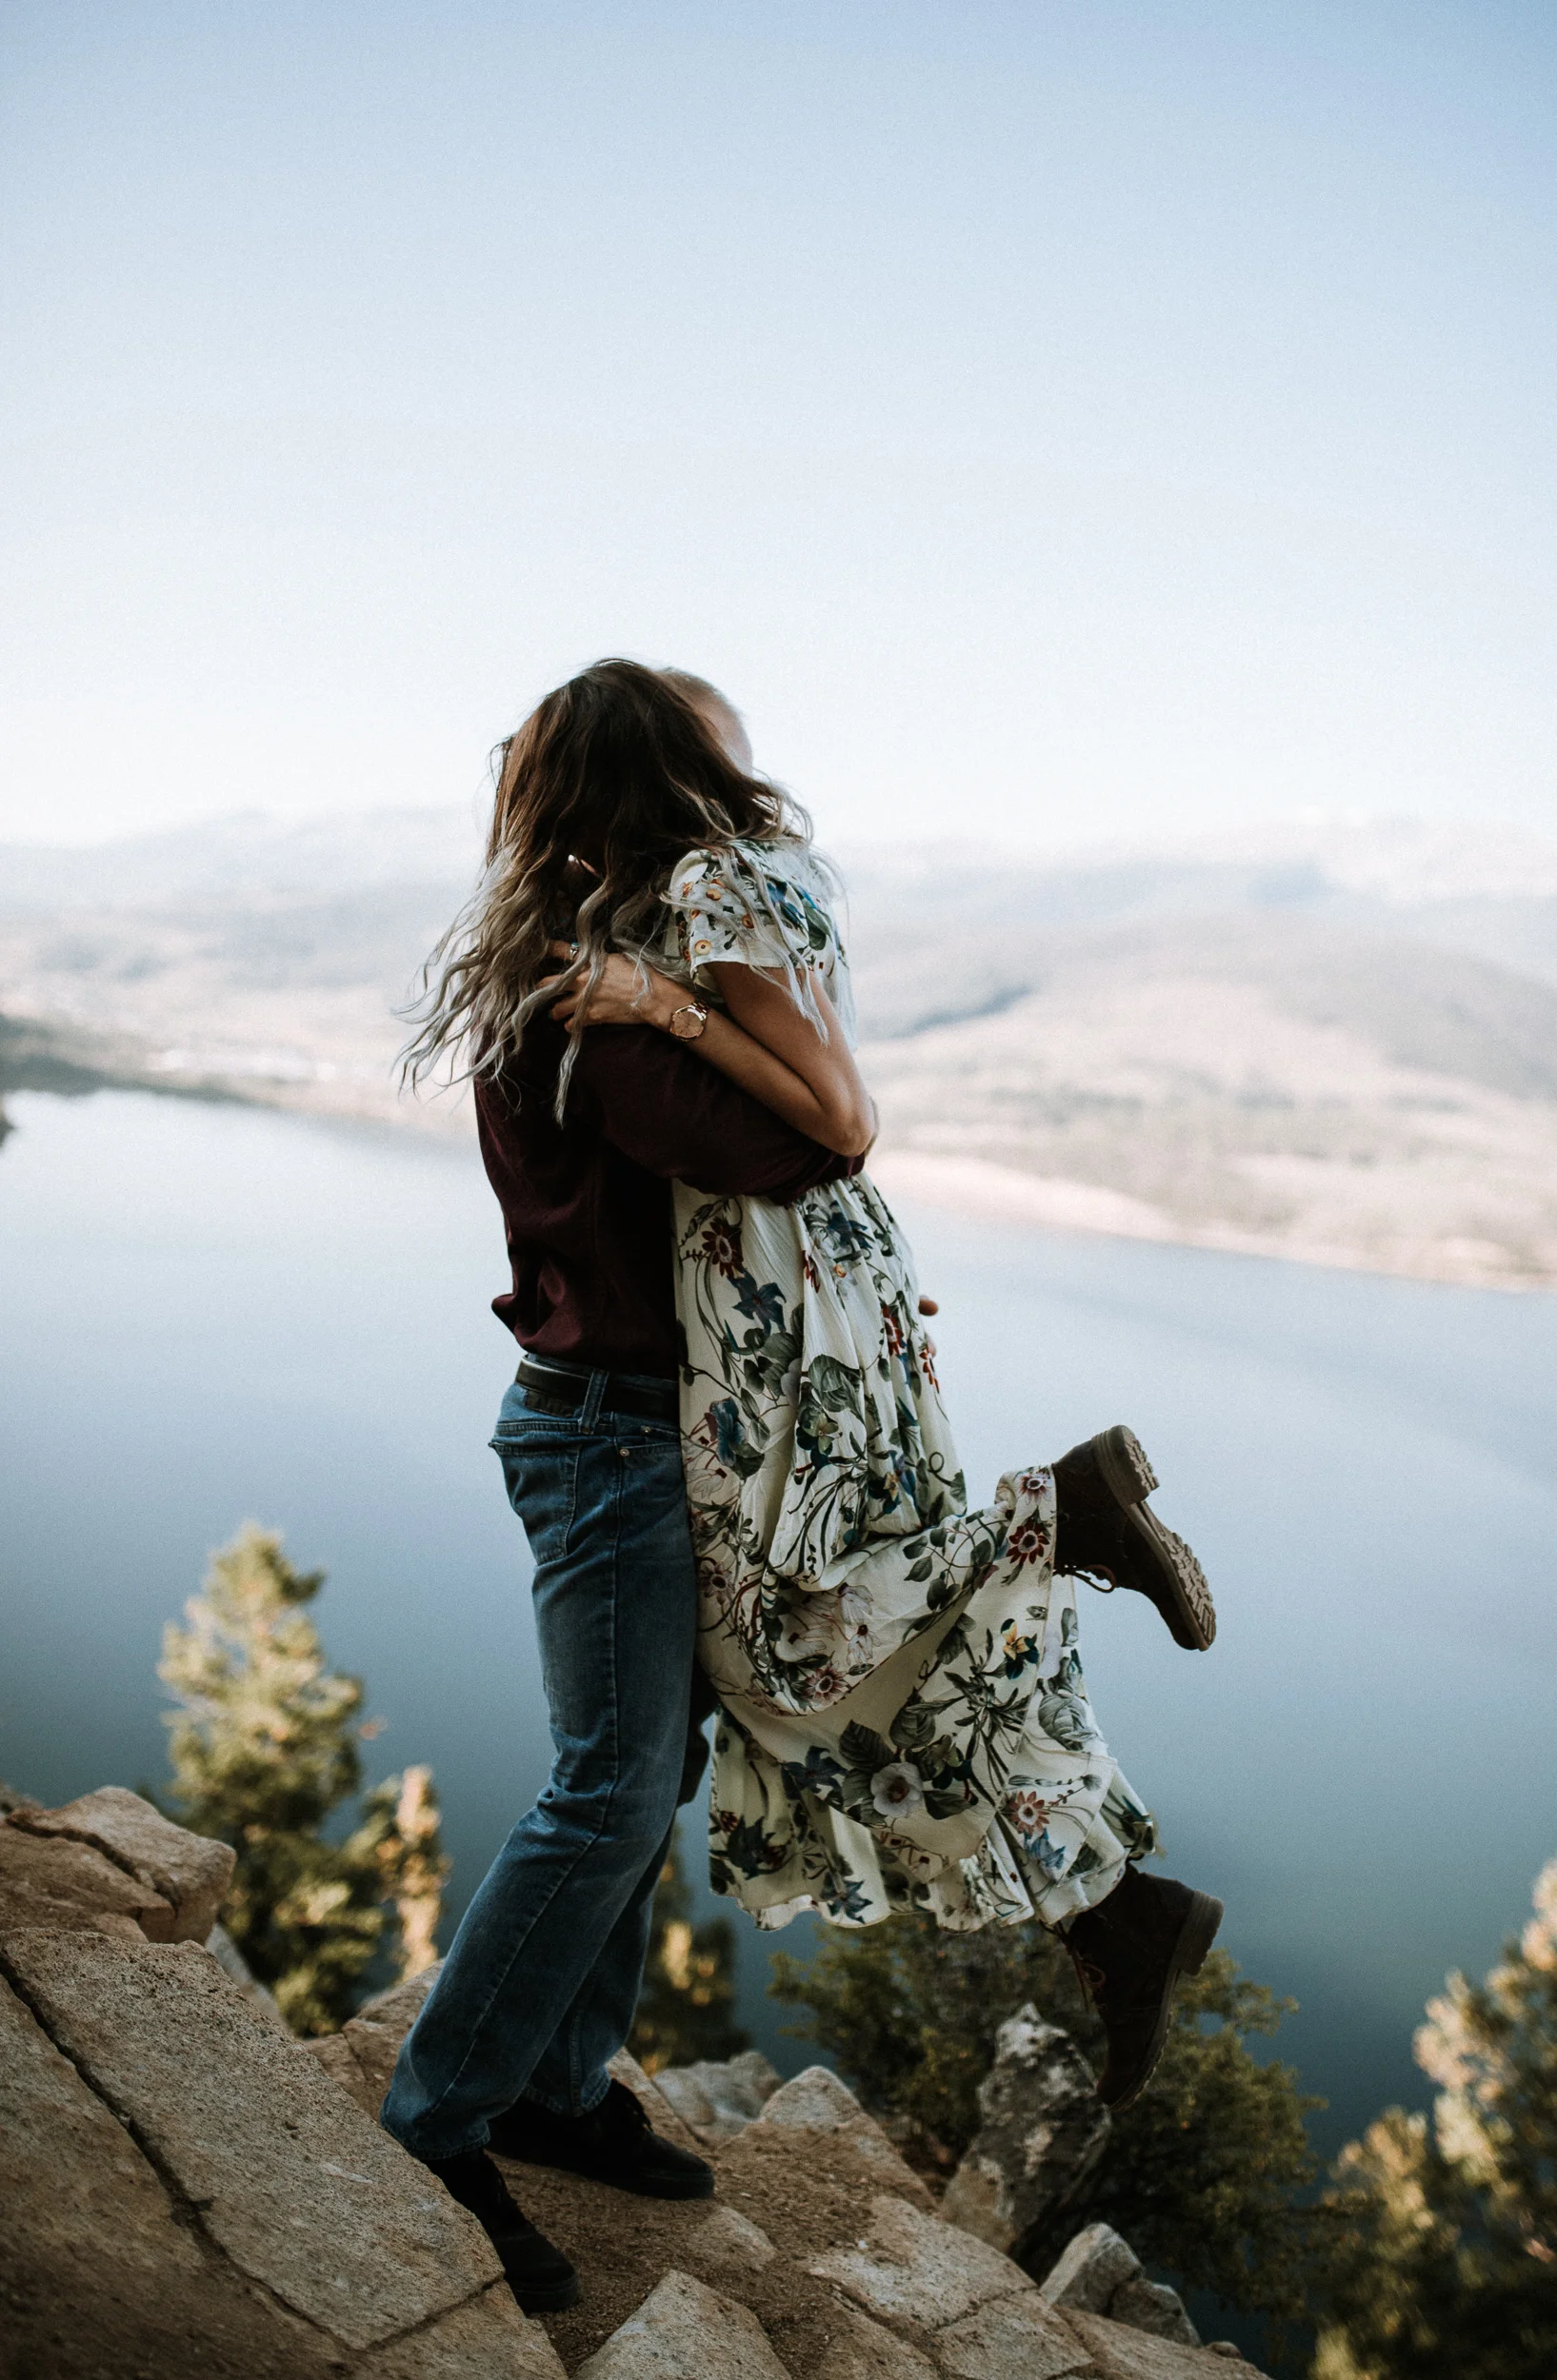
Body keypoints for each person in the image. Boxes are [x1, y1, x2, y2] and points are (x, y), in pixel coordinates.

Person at [384, 658, 1224, 2314]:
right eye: (721, 766)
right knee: (607, 1791)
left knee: (662, 1764)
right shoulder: (603, 1018)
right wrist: (701, 1016)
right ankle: (440, 2116)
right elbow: (818, 1141)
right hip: (613, 1435)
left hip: (643, 1427)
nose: (748, 800)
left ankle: (558, 2090)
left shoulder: (584, 976)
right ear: (660, 791)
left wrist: (693, 1004)